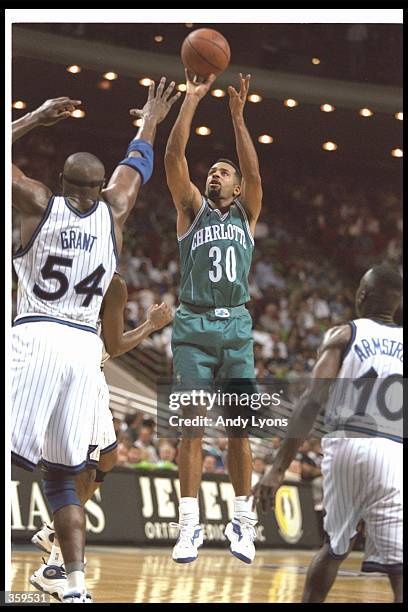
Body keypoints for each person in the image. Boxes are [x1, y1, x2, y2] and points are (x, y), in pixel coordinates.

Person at [11, 81, 180, 602]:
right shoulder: (117, 210)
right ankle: (77, 587)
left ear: (60, 182)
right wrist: (150, 118)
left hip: (36, 337)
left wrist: (34, 119)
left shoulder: (38, 203)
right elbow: (138, 165)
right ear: (102, 185)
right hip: (85, 353)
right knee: (65, 477)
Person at [252, 263, 403, 603]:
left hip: (347, 442)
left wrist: (278, 468)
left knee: (335, 547)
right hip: (393, 450)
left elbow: (311, 401)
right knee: (398, 567)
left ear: (361, 296)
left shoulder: (343, 335)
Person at [164, 71, 263, 564]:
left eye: (225, 172)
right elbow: (174, 157)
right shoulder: (191, 210)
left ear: (239, 185)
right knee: (190, 427)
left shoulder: (247, 214)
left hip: (237, 328)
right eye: (213, 171)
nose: (215, 175)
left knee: (240, 430)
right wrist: (192, 100)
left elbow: (255, 172)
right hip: (194, 328)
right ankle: (188, 527)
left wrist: (238, 117)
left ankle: (242, 521)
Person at [28, 273, 172, 601]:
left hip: (93, 374)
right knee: (83, 474)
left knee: (108, 457)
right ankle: (55, 568)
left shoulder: (97, 278)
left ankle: (53, 532)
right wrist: (150, 325)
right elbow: (116, 345)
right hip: (76, 375)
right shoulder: (101, 280)